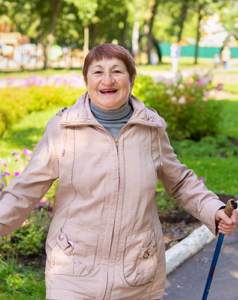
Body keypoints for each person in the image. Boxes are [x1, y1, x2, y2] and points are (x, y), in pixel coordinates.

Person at [0, 44, 237, 300]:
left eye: (117, 71)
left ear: (131, 79)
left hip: (137, 271)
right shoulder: (63, 128)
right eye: (98, 71)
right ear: (87, 80)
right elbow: (26, 188)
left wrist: (213, 210)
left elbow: (179, 182)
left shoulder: (151, 129)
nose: (108, 80)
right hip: (72, 270)